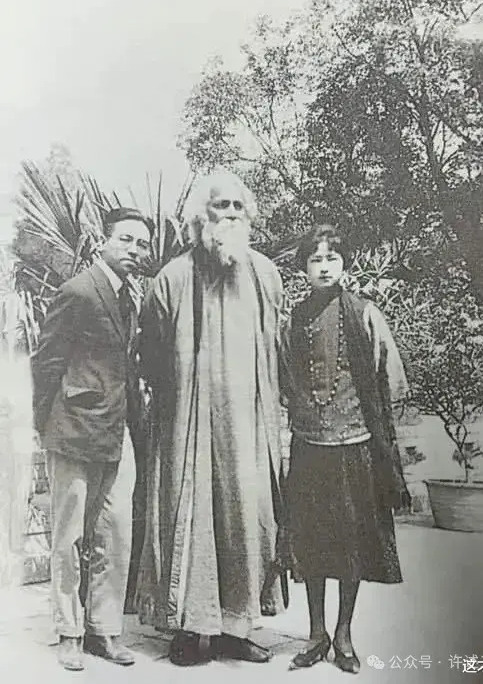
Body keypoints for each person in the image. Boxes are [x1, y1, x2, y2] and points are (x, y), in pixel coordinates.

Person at [136, 169, 285, 666]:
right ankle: (190, 627)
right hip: (189, 426)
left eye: (239, 206)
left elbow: (274, 349)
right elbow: (152, 357)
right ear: (202, 216)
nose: (231, 214)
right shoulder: (173, 278)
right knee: (191, 518)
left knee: (245, 519)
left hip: (248, 427)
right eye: (222, 205)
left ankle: (236, 629)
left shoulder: (265, 274)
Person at [279, 223, 410, 674]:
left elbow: (390, 382)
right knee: (312, 543)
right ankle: (315, 633)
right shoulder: (293, 320)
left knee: (351, 544)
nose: (323, 267)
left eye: (331, 258)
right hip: (309, 448)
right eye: (315, 259)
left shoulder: (366, 314)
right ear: (304, 268)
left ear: (345, 264)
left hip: (355, 447)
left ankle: (344, 635)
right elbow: (284, 380)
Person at [31, 208, 154, 671]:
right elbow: (46, 362)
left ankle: (104, 630)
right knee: (69, 538)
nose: (135, 250)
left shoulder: (129, 298)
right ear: (103, 240)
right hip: (73, 429)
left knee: (116, 534)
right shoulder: (78, 291)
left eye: (142, 244)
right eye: (126, 240)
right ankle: (69, 633)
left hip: (116, 431)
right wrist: (47, 424)